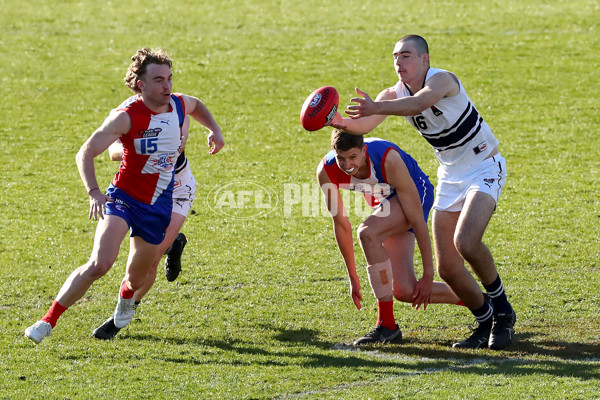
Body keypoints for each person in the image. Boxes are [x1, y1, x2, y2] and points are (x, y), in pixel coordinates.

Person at [24, 48, 225, 344]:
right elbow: (88, 151)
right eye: (158, 80)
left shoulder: (180, 105)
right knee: (100, 263)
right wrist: (94, 191)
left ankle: (127, 301)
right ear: (140, 84)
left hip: (162, 203)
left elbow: (197, 106)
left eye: (169, 79)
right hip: (124, 197)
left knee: (137, 276)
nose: (167, 86)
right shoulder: (126, 115)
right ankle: (47, 321)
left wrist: (215, 131)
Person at [331, 34, 516, 350]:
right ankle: (485, 320)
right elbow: (362, 127)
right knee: (447, 268)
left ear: (424, 60)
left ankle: (503, 312)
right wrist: (331, 120)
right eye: (395, 56)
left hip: (485, 166)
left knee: (466, 241)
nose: (399, 62)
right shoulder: (392, 94)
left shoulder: (442, 80)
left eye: (406, 55)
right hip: (450, 175)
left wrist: (378, 105)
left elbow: (419, 103)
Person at [318, 130, 462, 345]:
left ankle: (386, 324)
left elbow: (417, 221)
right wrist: (352, 276)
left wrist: (428, 273)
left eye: (353, 157)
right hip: (384, 200)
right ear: (333, 153)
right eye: (341, 158)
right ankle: (486, 303)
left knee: (367, 233)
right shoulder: (326, 171)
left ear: (364, 151)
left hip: (415, 192)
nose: (347, 165)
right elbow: (341, 224)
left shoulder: (387, 159)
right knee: (405, 291)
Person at [91, 114, 195, 340]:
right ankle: (173, 243)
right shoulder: (126, 115)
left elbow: (180, 141)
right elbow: (112, 152)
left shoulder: (175, 106)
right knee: (138, 255)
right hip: (139, 192)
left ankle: (122, 313)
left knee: (150, 260)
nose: (164, 88)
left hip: (177, 190)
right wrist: (142, 148)